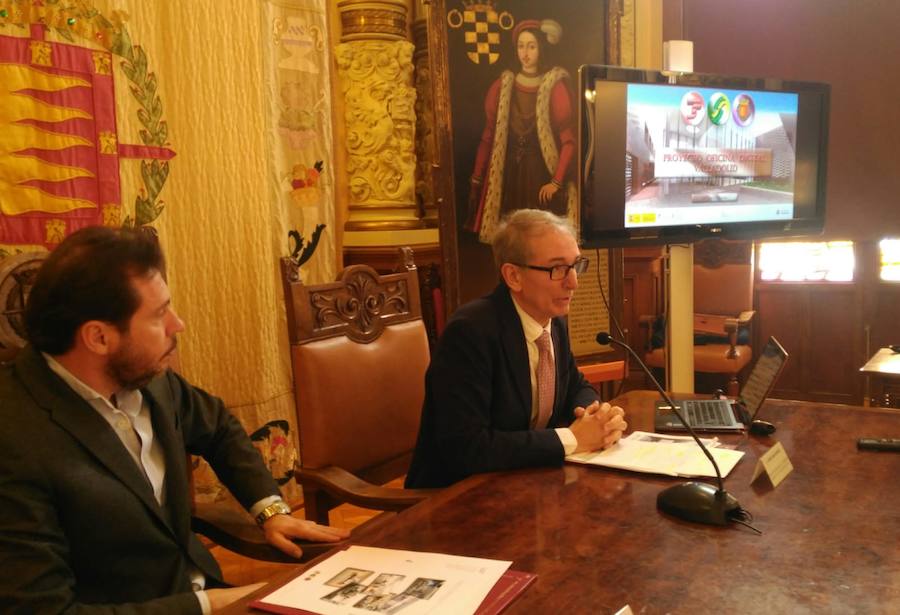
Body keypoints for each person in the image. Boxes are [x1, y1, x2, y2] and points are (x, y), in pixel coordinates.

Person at [0, 226, 349, 613]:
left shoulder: (145, 375)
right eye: (160, 314)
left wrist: (270, 510)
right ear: (98, 338)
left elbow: (218, 427)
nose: (177, 325)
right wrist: (207, 605)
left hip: (204, 589)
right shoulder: (15, 437)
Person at [406, 209, 626, 488]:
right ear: (513, 276)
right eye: (558, 269)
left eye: (576, 265)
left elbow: (575, 384)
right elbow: (467, 448)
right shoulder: (470, 332)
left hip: (526, 481)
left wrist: (596, 417)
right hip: (460, 495)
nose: (573, 282)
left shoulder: (552, 321)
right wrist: (574, 439)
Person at [465, 19, 577, 244]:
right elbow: (488, 136)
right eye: (521, 46)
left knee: (539, 240)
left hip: (540, 175)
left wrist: (555, 182)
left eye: (532, 46)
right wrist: (477, 176)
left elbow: (569, 142)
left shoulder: (554, 87)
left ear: (541, 49)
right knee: (512, 239)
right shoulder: (502, 86)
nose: (525, 53)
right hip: (510, 175)